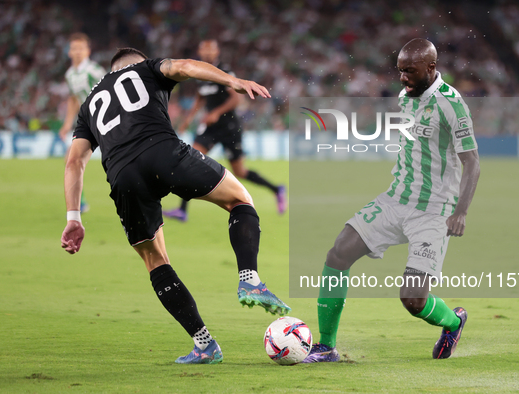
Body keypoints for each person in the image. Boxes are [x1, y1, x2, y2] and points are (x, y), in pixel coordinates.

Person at [60, 48, 291, 365]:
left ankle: (205, 345)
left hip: (123, 177)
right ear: (137, 62)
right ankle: (249, 279)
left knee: (155, 261)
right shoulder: (146, 69)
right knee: (240, 199)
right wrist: (231, 80)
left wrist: (74, 216)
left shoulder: (89, 105)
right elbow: (184, 66)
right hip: (164, 153)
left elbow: (74, 162)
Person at [303, 38, 481, 363]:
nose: (402, 78)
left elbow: (473, 162)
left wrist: (462, 212)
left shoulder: (451, 105)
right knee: (338, 252)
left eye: (409, 71)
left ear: (431, 67)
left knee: (413, 300)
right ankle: (326, 345)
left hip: (432, 212)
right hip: (395, 200)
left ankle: (454, 322)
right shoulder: (405, 96)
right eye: (400, 71)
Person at [163, 40, 286, 222]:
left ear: (217, 52)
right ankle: (182, 210)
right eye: (204, 50)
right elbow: (200, 98)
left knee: (240, 172)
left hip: (229, 127)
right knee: (190, 160)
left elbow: (235, 100)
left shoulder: (225, 72)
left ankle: (277, 190)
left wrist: (216, 113)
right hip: (211, 128)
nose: (207, 54)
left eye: (211, 50)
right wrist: (188, 118)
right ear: (200, 52)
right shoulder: (199, 72)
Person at [59, 33, 107, 213]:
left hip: (104, 121)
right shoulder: (70, 74)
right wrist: (67, 124)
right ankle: (81, 203)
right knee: (70, 160)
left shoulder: (94, 71)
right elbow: (73, 99)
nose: (77, 52)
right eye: (74, 48)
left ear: (88, 51)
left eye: (81, 48)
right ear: (69, 52)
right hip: (87, 123)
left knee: (118, 159)